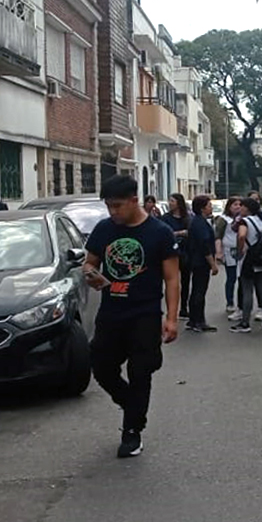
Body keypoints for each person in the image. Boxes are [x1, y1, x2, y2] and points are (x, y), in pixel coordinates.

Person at [83, 175, 181, 459]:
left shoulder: (159, 233)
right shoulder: (104, 229)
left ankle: (132, 431)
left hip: (144, 314)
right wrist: (89, 272)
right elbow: (90, 261)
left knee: (141, 372)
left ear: (134, 201)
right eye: (108, 207)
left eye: (117, 206)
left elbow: (172, 279)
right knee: (101, 367)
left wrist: (172, 318)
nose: (112, 212)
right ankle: (131, 404)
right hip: (111, 312)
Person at [231, 197, 262, 333]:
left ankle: (245, 322)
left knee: (247, 289)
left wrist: (241, 250)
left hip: (249, 258)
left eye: (242, 206)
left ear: (247, 208)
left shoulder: (245, 221)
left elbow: (242, 236)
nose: (239, 209)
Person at [186, 196, 220, 333]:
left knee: (196, 290)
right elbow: (204, 245)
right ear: (202, 208)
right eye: (209, 205)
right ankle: (198, 320)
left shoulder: (198, 222)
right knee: (199, 291)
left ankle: (194, 319)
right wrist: (213, 264)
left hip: (196, 260)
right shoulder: (200, 223)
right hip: (200, 262)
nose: (211, 207)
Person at [161, 194, 192, 316]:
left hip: (185, 252)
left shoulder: (187, 218)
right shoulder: (165, 218)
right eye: (169, 200)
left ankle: (184, 308)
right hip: (170, 253)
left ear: (179, 203)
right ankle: (170, 309)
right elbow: (164, 234)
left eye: (172, 201)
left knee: (185, 282)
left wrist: (181, 233)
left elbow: (192, 232)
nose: (170, 203)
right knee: (171, 282)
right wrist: (179, 233)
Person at [215, 197, 243, 320]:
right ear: (229, 206)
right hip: (229, 250)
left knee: (242, 278)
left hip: (241, 250)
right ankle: (230, 302)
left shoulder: (243, 219)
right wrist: (219, 252)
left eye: (240, 204)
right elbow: (218, 237)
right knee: (231, 277)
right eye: (235, 204)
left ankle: (242, 304)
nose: (237, 207)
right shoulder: (223, 220)